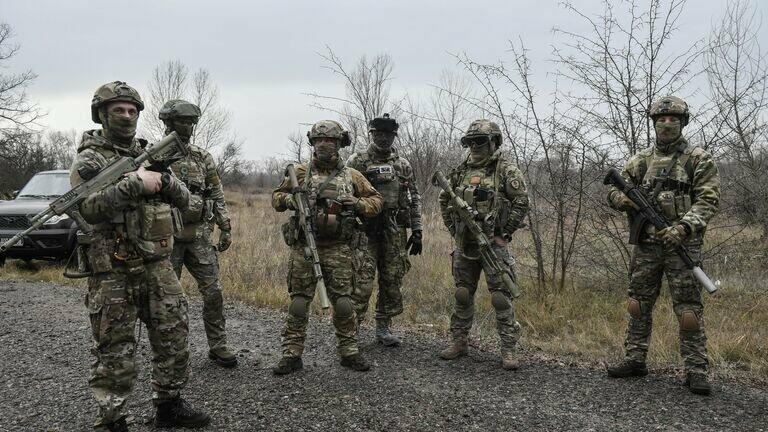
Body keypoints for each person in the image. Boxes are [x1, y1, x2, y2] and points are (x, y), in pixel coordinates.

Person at [69, 81, 210, 431]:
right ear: (102, 114)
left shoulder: (155, 155)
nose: (127, 116)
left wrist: (163, 181)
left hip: (158, 264)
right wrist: (135, 183)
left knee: (174, 335)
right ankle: (113, 418)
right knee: (115, 347)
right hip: (113, 269)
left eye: (132, 111)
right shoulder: (89, 160)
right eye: (118, 110)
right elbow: (89, 209)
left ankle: (169, 404)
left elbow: (191, 204)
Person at [606, 96, 720, 396]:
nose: (666, 124)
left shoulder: (698, 159)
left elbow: (708, 199)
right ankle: (634, 359)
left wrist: (683, 227)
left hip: (682, 246)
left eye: (673, 119)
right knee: (637, 304)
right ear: (654, 123)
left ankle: (696, 369)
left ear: (682, 123)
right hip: (646, 246)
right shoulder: (640, 160)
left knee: (688, 311)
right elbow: (612, 194)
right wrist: (623, 199)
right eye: (661, 119)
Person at [271, 120, 383, 375]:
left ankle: (349, 351)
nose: (324, 144)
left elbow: (377, 201)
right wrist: (293, 199)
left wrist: (356, 203)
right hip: (305, 247)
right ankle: (291, 354)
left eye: (330, 140)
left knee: (344, 303)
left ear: (339, 143)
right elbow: (276, 198)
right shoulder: (299, 173)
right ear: (312, 143)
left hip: (339, 249)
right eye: (319, 140)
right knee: (299, 301)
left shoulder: (352, 175)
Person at [437, 119, 529, 370]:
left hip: (492, 245)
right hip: (466, 244)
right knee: (462, 293)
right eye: (470, 142)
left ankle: (509, 348)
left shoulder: (505, 170)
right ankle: (459, 341)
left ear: (493, 142)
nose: (475, 146)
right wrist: (454, 229)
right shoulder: (459, 172)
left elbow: (521, 201)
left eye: (480, 141)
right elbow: (444, 201)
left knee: (501, 297)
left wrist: (505, 233)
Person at [161, 99, 237, 368]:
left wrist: (225, 225)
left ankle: (218, 346)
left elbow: (216, 193)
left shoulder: (202, 157)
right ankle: (171, 351)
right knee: (168, 298)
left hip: (200, 235)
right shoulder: (154, 158)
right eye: (183, 121)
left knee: (214, 292)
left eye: (192, 122)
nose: (188, 127)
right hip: (167, 236)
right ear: (168, 122)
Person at [346, 114, 422, 346]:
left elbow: (413, 198)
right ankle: (351, 332)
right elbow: (345, 195)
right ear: (371, 134)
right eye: (378, 134)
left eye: (388, 135)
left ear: (394, 136)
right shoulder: (357, 161)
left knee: (391, 280)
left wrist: (417, 230)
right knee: (362, 282)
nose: (383, 139)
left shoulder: (402, 164)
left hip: (394, 230)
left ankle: (382, 328)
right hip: (365, 230)